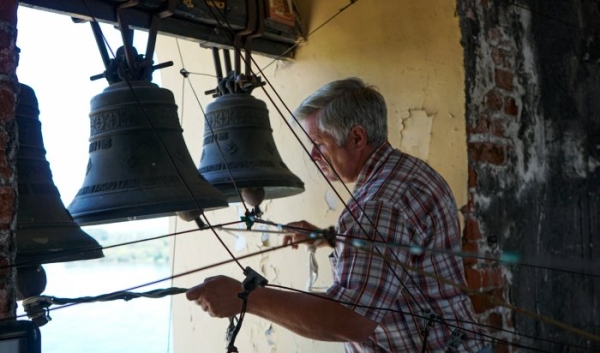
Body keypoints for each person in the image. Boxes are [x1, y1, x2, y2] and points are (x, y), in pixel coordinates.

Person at [186, 77, 487, 352]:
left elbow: (349, 321)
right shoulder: (408, 171)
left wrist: (246, 298)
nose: (314, 156)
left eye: (320, 143)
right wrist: (332, 239)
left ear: (357, 138)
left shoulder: (377, 204)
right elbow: (400, 253)